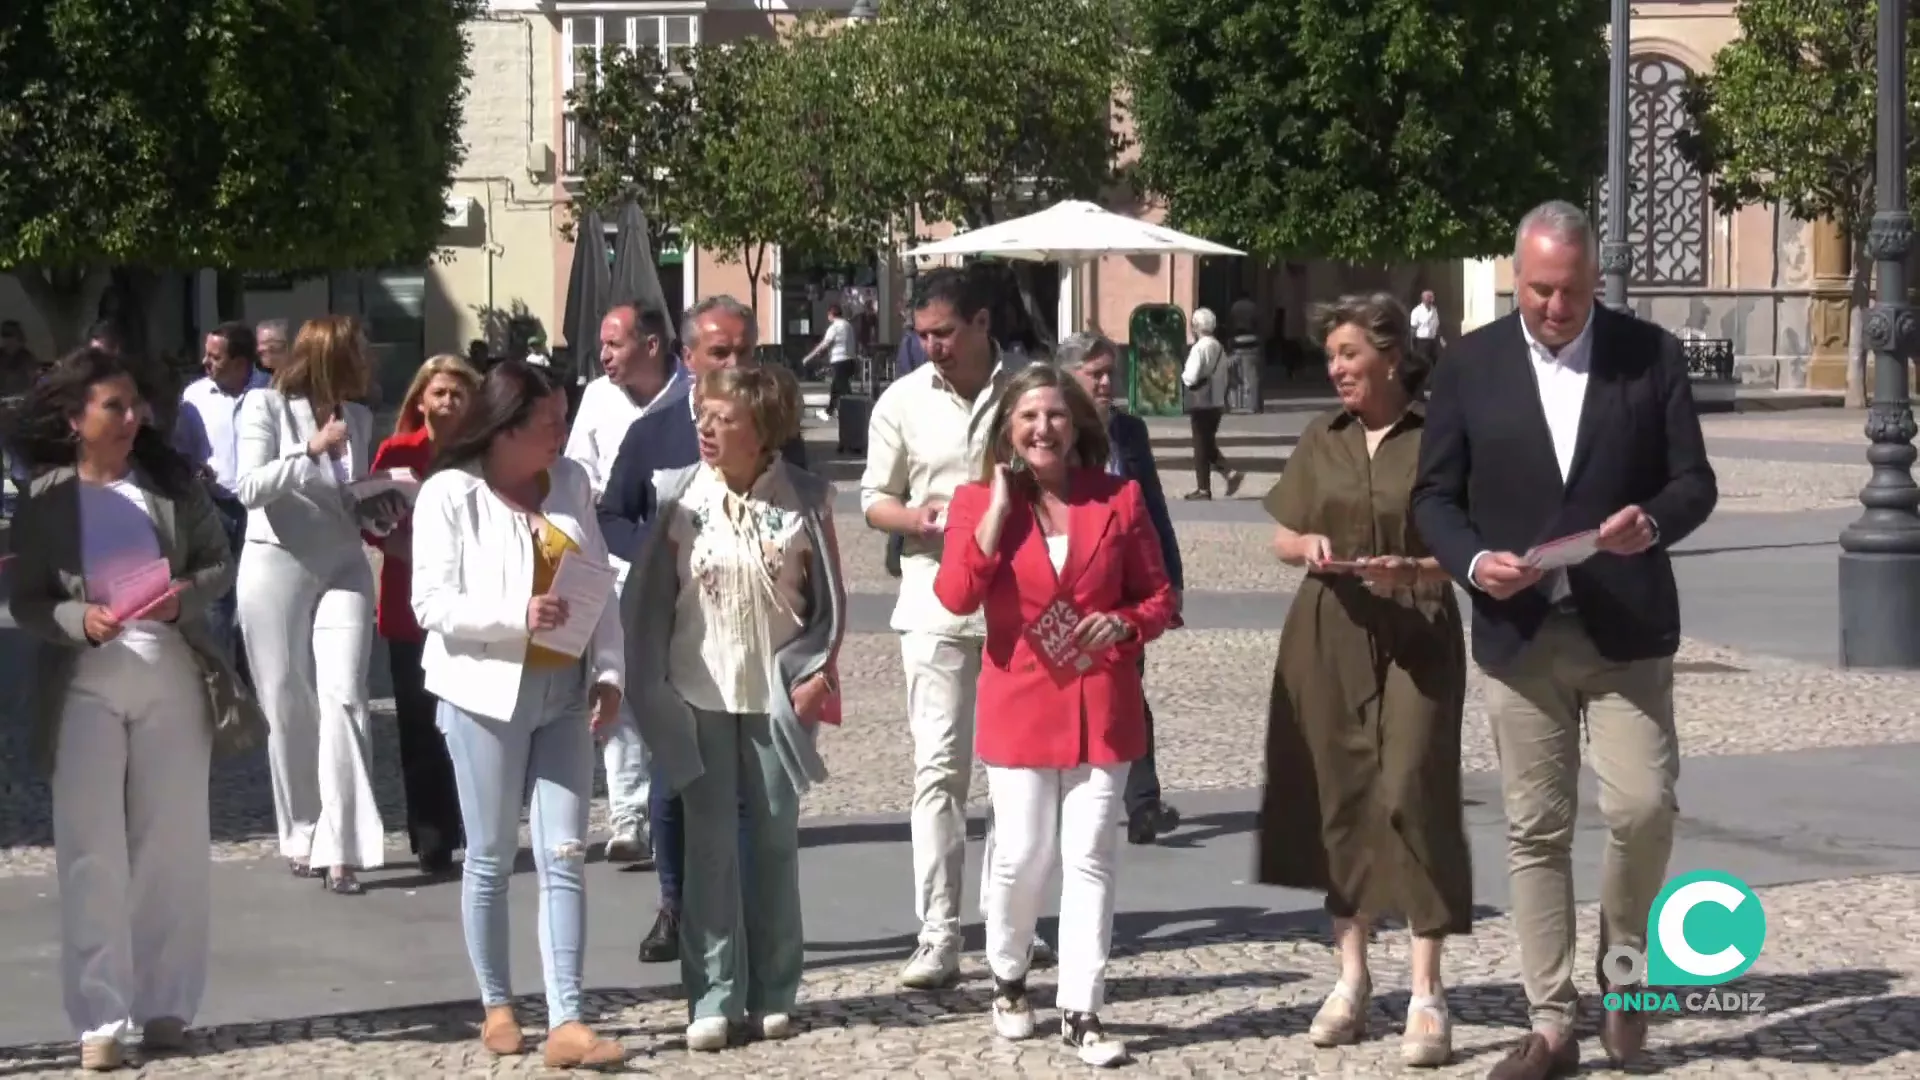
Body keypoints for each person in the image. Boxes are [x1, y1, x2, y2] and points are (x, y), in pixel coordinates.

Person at [1410, 200, 1718, 1080]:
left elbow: (1694, 481)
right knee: (1536, 830)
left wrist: (1650, 523)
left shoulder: (1647, 354)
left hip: (1626, 629)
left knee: (1643, 808)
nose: (1554, 307)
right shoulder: (1471, 364)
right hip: (1520, 630)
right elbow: (1435, 498)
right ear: (1516, 278)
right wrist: (1473, 566)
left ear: (1596, 280)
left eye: (1572, 291)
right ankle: (1551, 1023)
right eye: (1539, 290)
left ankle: (1623, 979)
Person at [8, 348, 264, 1071]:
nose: (131, 418)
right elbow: (25, 599)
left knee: (172, 847)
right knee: (90, 850)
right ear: (74, 418)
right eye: (113, 407)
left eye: (134, 405)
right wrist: (71, 617)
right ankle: (100, 1017)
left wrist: (183, 595)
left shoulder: (168, 483)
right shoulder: (46, 499)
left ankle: (166, 1005)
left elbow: (218, 561)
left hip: (170, 673)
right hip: (84, 678)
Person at [934, 364, 1177, 1067]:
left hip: (1102, 703)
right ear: (1008, 428)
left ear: (1077, 426)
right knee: (1021, 854)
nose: (1044, 428)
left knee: (1092, 853)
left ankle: (1082, 1010)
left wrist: (1126, 625)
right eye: (1029, 417)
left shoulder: (1120, 499)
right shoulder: (977, 500)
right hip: (1020, 702)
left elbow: (1161, 598)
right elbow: (955, 596)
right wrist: (996, 513)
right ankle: (1008, 977)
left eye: (1056, 415)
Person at [1258, 294, 1471, 1068]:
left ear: (1389, 355)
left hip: (1419, 628)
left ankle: (1427, 994)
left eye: (1349, 354)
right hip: (1329, 631)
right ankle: (1350, 979)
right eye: (1332, 358)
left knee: (1414, 789)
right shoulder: (1324, 436)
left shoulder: (1439, 436)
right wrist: (1306, 542)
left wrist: (1413, 568)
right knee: (1340, 798)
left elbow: (1472, 545)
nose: (1338, 369)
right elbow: (1282, 531)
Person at [622, 364, 846, 1051]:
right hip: (698, 691)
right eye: (703, 417)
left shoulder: (807, 496)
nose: (707, 429)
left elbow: (831, 603)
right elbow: (650, 603)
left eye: (723, 418)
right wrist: (647, 685)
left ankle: (775, 991)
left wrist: (822, 672)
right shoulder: (677, 497)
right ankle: (711, 996)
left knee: (776, 843)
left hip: (777, 696)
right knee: (710, 848)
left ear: (763, 427)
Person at [411, 360, 628, 1069]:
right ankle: (497, 1001)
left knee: (565, 851)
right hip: (481, 696)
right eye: (549, 423)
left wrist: (608, 669)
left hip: (562, 693)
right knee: (493, 854)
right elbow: (431, 605)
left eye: (565, 419)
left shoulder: (568, 483)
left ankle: (567, 1017)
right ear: (504, 428)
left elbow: (600, 584)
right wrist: (516, 617)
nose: (563, 435)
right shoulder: (450, 494)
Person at [599, 295, 808, 964]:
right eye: (720, 351)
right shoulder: (654, 433)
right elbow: (613, 513)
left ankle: (740, 917)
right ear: (687, 358)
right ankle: (675, 904)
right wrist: (656, 552)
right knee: (674, 774)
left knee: (752, 789)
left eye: (746, 350)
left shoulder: (776, 431)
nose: (736, 362)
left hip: (755, 634)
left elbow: (803, 511)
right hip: (678, 627)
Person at [860, 266, 1030, 988]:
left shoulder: (1029, 391)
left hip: (1018, 603)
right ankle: (938, 931)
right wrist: (915, 518)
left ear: (982, 323)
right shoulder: (900, 401)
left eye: (945, 334)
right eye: (922, 335)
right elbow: (874, 498)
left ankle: (1007, 926)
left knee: (1016, 775)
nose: (932, 347)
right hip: (933, 599)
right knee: (939, 771)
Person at [233, 315, 386, 893]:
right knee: (288, 704)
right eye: (358, 351)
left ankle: (341, 847)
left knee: (345, 696)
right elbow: (247, 487)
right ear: (329, 355)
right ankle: (302, 829)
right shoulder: (265, 409)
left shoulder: (362, 416)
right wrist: (309, 449)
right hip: (277, 561)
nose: (367, 360)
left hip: (343, 561)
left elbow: (351, 494)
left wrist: (379, 505)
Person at [565, 303, 684, 866]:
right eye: (603, 346)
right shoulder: (596, 398)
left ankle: (678, 802)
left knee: (679, 687)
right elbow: (576, 475)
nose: (605, 356)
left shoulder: (690, 394)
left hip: (686, 569)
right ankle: (628, 815)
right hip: (614, 560)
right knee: (617, 686)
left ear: (652, 345)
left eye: (614, 344)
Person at [1054, 333, 1184, 844]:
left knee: (1128, 684)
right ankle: (1072, 787)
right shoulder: (1050, 431)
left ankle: (1143, 802)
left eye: (1110, 371)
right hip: (1067, 583)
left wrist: (1170, 584)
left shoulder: (1129, 431)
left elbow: (1152, 508)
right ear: (1068, 378)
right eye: (1095, 373)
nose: (1108, 382)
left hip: (1125, 585)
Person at [367, 354, 480, 874]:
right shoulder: (397, 451)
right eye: (439, 393)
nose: (448, 402)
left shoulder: (484, 453)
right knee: (418, 724)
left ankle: (473, 827)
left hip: (473, 603)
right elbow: (369, 520)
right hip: (409, 603)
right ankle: (432, 837)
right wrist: (396, 540)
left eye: (458, 393)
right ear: (420, 400)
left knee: (469, 723)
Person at [172, 322, 272, 663]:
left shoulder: (272, 394)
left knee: (257, 597)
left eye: (216, 357)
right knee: (216, 599)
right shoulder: (194, 397)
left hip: (263, 510)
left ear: (242, 364)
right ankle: (219, 679)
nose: (205, 361)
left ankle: (252, 679)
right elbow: (180, 450)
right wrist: (193, 468)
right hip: (214, 507)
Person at [1180, 308, 1242, 500]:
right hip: (1217, 401)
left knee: (1200, 445)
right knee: (1207, 441)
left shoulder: (1199, 348)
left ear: (1196, 326)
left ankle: (1204, 488)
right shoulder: (1219, 347)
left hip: (1201, 402)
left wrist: (1182, 376)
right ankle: (1227, 473)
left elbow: (1190, 377)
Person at [804, 303, 857, 421]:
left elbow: (824, 344)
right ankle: (845, 410)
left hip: (840, 361)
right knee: (842, 387)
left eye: (828, 315)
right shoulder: (848, 325)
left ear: (831, 314)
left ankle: (831, 412)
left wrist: (809, 357)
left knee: (838, 387)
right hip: (850, 361)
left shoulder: (835, 327)